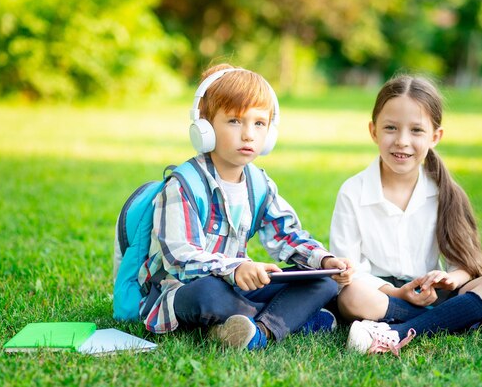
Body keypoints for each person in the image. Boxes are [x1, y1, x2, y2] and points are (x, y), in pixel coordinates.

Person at [138, 63, 353, 350]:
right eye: (235, 121)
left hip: (238, 283)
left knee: (322, 284)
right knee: (210, 293)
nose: (249, 134)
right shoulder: (183, 185)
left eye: (259, 123)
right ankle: (293, 321)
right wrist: (237, 267)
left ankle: (257, 332)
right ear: (205, 126)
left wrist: (324, 261)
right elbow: (180, 259)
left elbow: (286, 235)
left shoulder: (259, 184)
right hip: (184, 289)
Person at [329, 74, 482, 356]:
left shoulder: (445, 192)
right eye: (391, 128)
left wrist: (451, 279)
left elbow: (464, 264)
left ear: (435, 136)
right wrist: (396, 292)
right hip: (382, 296)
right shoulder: (353, 191)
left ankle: (395, 333)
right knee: (351, 297)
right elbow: (348, 271)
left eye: (416, 130)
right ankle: (471, 322)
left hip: (434, 293)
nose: (402, 141)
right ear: (373, 131)